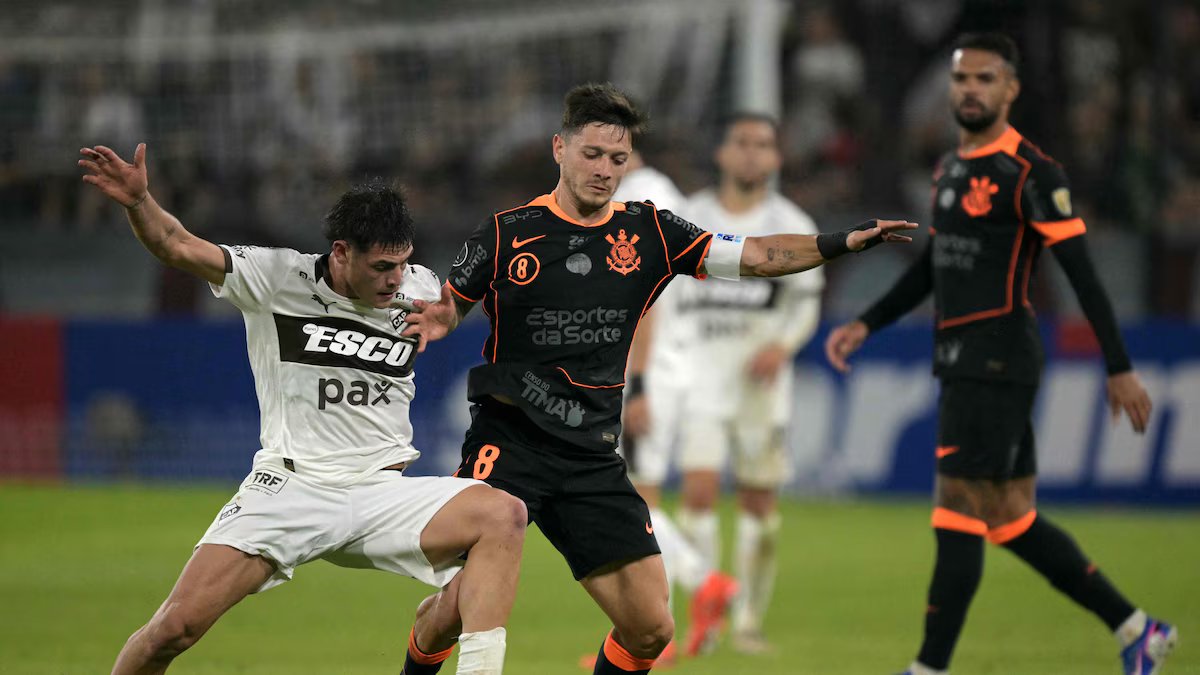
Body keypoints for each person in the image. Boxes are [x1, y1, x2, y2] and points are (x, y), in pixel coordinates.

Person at [399, 82, 917, 675]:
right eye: (591, 154)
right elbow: (448, 305)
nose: (604, 169)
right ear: (559, 150)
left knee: (650, 628)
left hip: (591, 453)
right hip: (509, 441)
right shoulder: (506, 233)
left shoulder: (651, 231)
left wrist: (837, 243)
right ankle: (425, 641)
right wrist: (436, 321)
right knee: (461, 608)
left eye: (617, 159)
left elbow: (754, 254)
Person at [78, 143, 527, 675]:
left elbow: (445, 314)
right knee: (172, 630)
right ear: (341, 252)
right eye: (382, 266)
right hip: (292, 488)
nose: (394, 279)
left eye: (402, 264)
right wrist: (139, 202)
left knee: (505, 515)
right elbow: (177, 244)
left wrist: (446, 322)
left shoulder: (418, 287)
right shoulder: (274, 278)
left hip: (381, 492)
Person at [823, 33, 1177, 675]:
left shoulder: (1031, 173)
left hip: (996, 358)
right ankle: (1137, 627)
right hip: (964, 356)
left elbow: (1083, 274)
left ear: (1010, 89)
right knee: (1011, 517)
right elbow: (938, 264)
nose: (971, 90)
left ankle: (928, 668)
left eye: (986, 79)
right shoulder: (952, 166)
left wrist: (1119, 365)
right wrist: (867, 323)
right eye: (962, 79)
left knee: (956, 505)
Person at [648, 112, 824, 656]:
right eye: (741, 143)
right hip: (698, 376)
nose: (751, 153)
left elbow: (806, 304)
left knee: (759, 507)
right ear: (722, 153)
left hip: (758, 386)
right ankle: (711, 616)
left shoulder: (790, 221)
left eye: (763, 145)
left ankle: (748, 619)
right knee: (697, 493)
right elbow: (663, 295)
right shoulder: (691, 216)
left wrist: (783, 345)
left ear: (776, 158)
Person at [602, 149, 737, 668]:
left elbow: (647, 297)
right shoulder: (670, 194)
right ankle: (659, 631)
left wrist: (635, 386)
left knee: (635, 502)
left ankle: (702, 583)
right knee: (641, 496)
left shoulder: (638, 200)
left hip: (651, 367)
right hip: (677, 361)